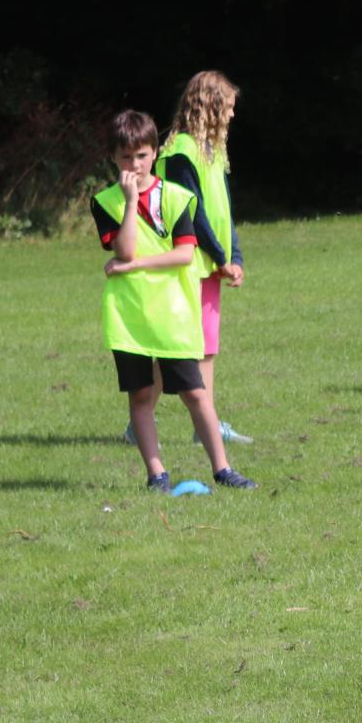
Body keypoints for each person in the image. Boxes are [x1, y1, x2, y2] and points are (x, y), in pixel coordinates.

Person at [93, 110, 256, 491]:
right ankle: (157, 475)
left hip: (174, 314)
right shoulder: (105, 202)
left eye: (142, 155)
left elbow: (184, 254)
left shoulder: (179, 198)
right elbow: (126, 249)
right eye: (125, 157)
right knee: (142, 395)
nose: (134, 164)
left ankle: (223, 469)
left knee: (195, 392)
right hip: (130, 318)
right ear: (113, 158)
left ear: (154, 153)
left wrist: (130, 267)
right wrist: (131, 203)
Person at [151, 70, 251, 445]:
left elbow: (224, 209)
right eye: (228, 107)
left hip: (210, 265)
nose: (232, 115)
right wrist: (220, 256)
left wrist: (233, 255)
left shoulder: (214, 151)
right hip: (187, 265)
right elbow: (190, 212)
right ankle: (139, 417)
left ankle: (204, 427)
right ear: (209, 105)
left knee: (206, 346)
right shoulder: (179, 153)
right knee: (177, 348)